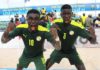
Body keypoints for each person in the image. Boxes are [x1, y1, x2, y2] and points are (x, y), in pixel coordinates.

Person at [46, 4, 97, 70]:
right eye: (64, 14)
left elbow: (93, 41)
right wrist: (52, 31)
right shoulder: (56, 23)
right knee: (46, 65)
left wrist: (93, 34)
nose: (66, 16)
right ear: (61, 14)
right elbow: (50, 33)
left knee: (82, 68)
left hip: (71, 51)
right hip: (59, 50)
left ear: (72, 14)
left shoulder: (77, 26)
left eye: (68, 13)